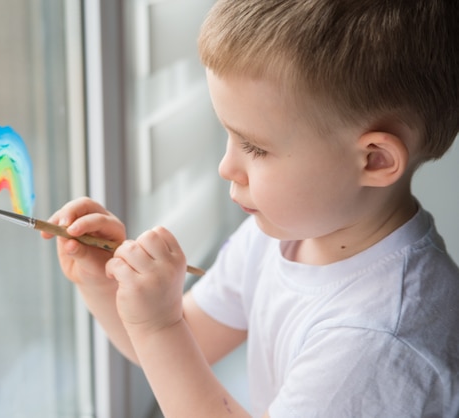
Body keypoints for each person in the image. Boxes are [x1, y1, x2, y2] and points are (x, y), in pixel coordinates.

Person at [42, 0, 459, 416]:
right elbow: (190, 342)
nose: (226, 167)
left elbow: (170, 337)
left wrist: (157, 327)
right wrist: (105, 285)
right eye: (229, 135)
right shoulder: (281, 232)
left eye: (256, 147)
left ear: (375, 160)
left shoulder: (377, 339)